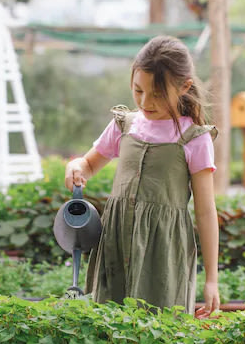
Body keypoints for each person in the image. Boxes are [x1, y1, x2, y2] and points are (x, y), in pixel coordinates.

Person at [64, 35, 220, 316]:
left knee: (161, 326)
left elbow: (206, 211)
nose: (146, 101)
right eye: (138, 90)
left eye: (157, 94)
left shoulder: (195, 139)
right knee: (108, 323)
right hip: (115, 243)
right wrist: (75, 166)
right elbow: (88, 164)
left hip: (163, 252)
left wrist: (211, 280)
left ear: (184, 87)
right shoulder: (124, 125)